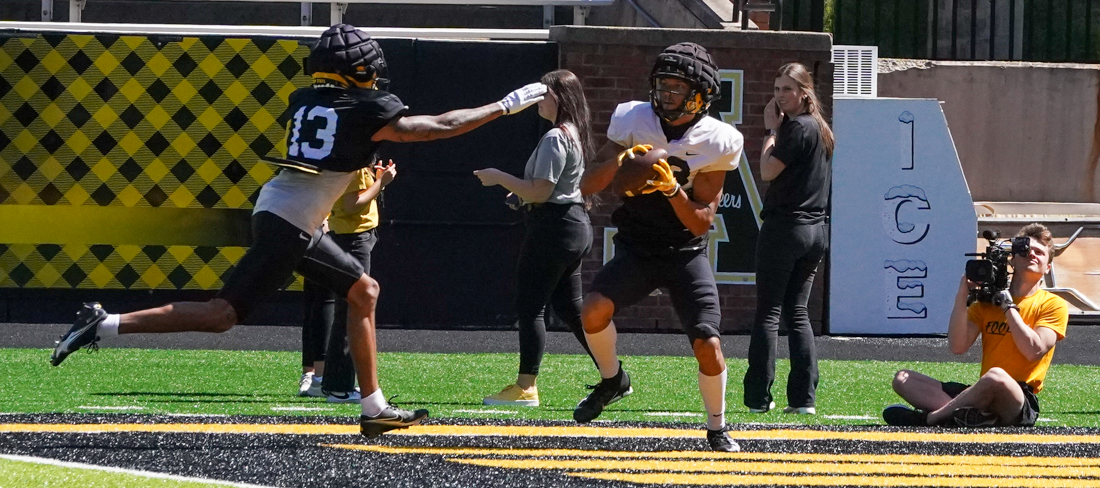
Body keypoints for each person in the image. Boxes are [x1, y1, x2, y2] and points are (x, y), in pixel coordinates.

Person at [49, 24, 547, 438]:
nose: (374, 75)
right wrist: (504, 106)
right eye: (367, 68)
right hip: (289, 220)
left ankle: (374, 408)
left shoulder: (305, 98)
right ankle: (104, 323)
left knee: (363, 290)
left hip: (289, 212)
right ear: (355, 71)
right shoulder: (366, 107)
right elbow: (439, 126)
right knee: (222, 315)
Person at [572, 43, 744, 452]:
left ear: (700, 96)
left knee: (708, 343)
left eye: (676, 88)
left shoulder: (719, 140)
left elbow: (700, 221)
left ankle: (717, 426)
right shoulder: (633, 118)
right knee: (592, 310)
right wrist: (620, 162)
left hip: (684, 251)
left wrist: (671, 189)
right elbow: (588, 184)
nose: (666, 94)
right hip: (637, 245)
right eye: (662, 85)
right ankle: (613, 380)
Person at [473, 69, 596, 407]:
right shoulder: (574, 131)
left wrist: (499, 177)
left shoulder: (556, 136)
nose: (537, 100)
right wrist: (520, 195)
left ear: (559, 97)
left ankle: (526, 387)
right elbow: (550, 188)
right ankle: (614, 375)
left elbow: (541, 191)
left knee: (530, 307)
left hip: (554, 228)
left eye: (544, 93)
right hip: (572, 225)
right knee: (571, 309)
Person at [883, 223, 1069, 427]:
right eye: (1026, 250)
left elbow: (1034, 350)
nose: (1032, 254)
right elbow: (957, 346)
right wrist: (962, 296)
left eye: (1039, 252)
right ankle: (973, 416)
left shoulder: (1053, 305)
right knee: (903, 378)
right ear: (1013, 259)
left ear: (1047, 267)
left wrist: (1007, 305)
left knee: (996, 376)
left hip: (1018, 397)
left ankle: (931, 419)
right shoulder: (987, 303)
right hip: (982, 390)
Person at [742, 62, 833, 416]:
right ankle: (803, 399)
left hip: (786, 228)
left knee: (769, 311)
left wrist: (771, 131)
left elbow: (767, 171)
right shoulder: (821, 128)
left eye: (787, 89)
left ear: (804, 93)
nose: (780, 96)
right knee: (797, 312)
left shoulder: (796, 127)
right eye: (777, 88)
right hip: (815, 231)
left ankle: (758, 398)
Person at [299, 161, 398, 403]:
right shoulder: (355, 165)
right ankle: (339, 388)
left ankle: (333, 383)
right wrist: (381, 183)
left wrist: (377, 180)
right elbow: (352, 205)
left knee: (347, 309)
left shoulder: (350, 163)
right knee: (352, 310)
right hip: (353, 238)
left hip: (349, 235)